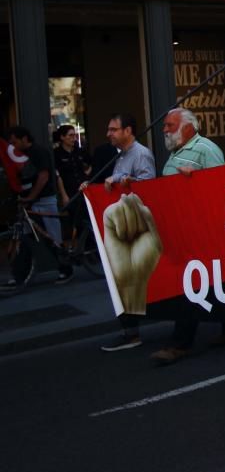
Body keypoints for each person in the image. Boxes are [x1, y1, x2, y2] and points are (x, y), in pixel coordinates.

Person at [151, 108, 225, 365]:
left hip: (201, 230)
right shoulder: (174, 155)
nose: (164, 130)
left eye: (169, 125)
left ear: (188, 127)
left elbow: (221, 187)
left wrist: (197, 181)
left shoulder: (206, 149)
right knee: (215, 282)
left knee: (189, 284)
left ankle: (180, 343)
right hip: (180, 229)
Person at [97, 113, 157, 352]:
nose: (108, 134)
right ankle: (130, 330)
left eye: (113, 129)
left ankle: (132, 333)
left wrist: (125, 180)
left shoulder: (141, 154)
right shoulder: (121, 155)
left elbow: (148, 186)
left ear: (128, 130)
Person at [1, 126, 72, 290]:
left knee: (52, 237)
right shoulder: (18, 156)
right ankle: (20, 275)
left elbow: (44, 176)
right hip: (29, 202)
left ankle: (66, 269)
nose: (13, 146)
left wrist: (32, 196)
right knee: (24, 239)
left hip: (43, 200)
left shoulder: (39, 152)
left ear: (24, 139)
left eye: (15, 142)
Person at [52, 125, 93, 249]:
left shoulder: (79, 151)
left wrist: (86, 176)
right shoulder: (57, 154)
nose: (73, 138)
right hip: (70, 192)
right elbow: (58, 175)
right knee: (75, 221)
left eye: (74, 135)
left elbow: (92, 163)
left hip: (84, 190)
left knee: (88, 219)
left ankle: (90, 249)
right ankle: (77, 249)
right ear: (62, 137)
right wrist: (64, 195)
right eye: (70, 135)